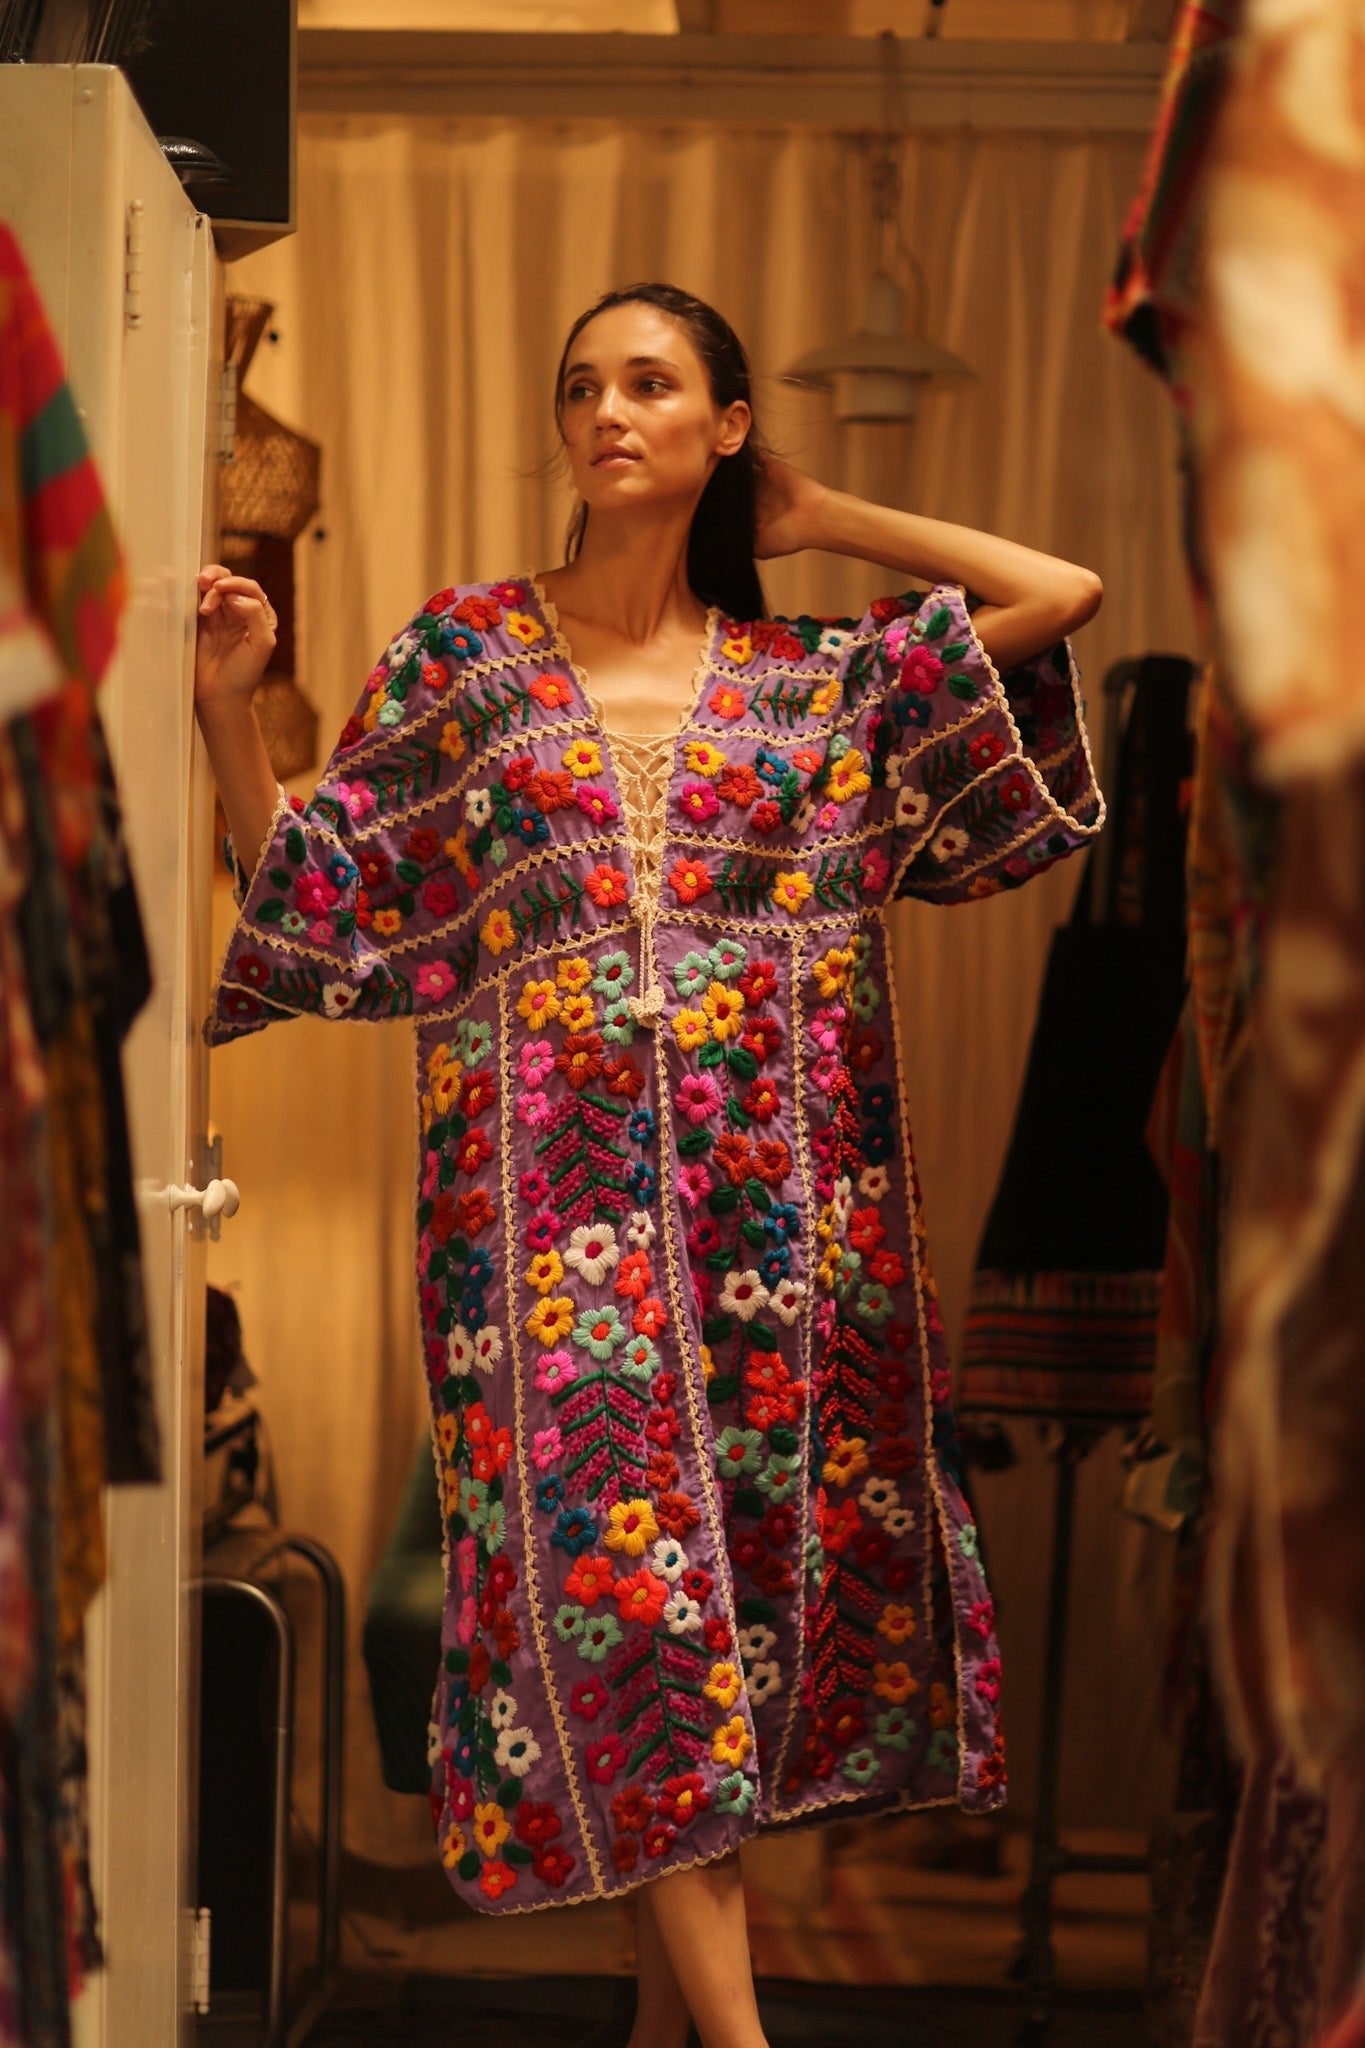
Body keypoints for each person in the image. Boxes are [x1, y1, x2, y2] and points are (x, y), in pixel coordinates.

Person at [195, 282, 1103, 2048]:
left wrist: (823, 518)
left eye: (650, 382)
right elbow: (324, 903)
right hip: (545, 1239)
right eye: (580, 388)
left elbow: (1055, 594)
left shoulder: (814, 685)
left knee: (728, 1642)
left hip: (785, 1239)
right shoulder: (468, 661)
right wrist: (231, 710)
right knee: (631, 1617)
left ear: (725, 425)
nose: (606, 413)